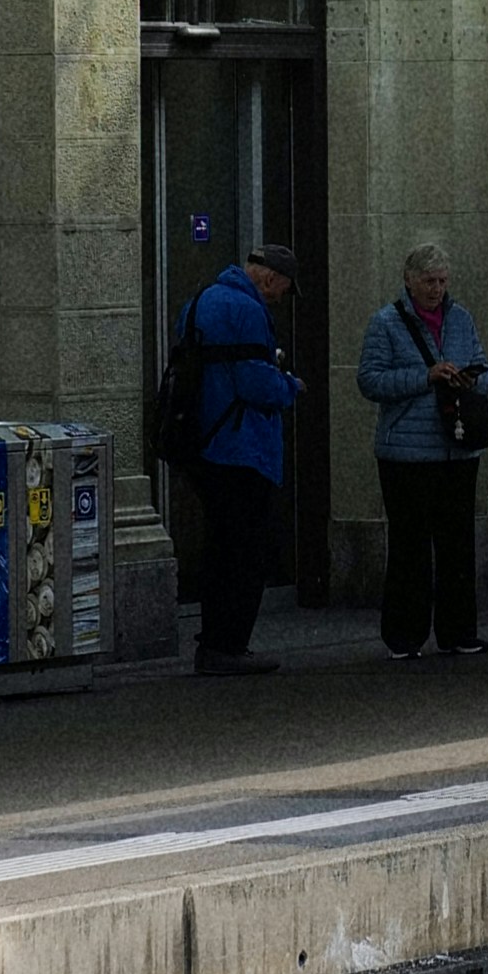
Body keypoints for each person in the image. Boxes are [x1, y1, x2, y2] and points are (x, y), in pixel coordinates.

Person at [357, 243, 488, 659]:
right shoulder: (385, 323)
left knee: (457, 545)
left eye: (441, 281)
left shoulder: (460, 318)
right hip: (407, 453)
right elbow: (370, 381)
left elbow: (485, 370)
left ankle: (458, 631)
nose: (436, 289)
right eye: (428, 282)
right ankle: (403, 636)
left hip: (456, 449)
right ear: (409, 281)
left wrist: (469, 380)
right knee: (410, 546)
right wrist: (426, 376)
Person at [178, 242, 302, 677]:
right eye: (283, 290)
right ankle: (229, 645)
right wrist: (290, 386)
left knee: (219, 547)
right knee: (246, 552)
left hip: (204, 442)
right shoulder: (247, 311)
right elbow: (255, 383)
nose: (280, 298)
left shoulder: (201, 300)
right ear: (269, 279)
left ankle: (213, 641)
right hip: (242, 446)